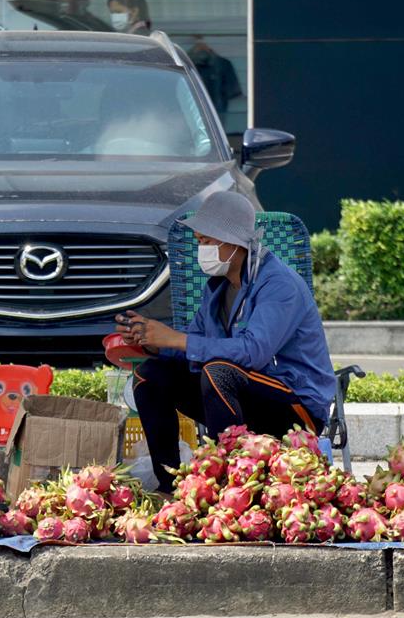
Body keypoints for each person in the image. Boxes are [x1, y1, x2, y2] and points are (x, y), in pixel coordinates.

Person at [114, 192, 336, 493]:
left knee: (219, 371)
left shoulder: (279, 284)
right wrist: (151, 340)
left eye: (206, 241)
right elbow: (194, 344)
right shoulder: (218, 287)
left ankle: (232, 487)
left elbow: (252, 352)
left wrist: (177, 339)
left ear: (233, 243)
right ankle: (173, 487)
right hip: (238, 395)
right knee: (151, 375)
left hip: (296, 407)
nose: (200, 249)